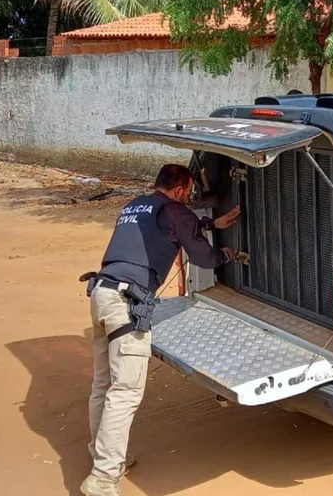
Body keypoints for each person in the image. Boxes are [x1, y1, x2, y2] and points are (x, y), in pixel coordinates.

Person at [80, 164, 241, 496]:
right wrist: (226, 253)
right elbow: (203, 257)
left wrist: (211, 223)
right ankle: (103, 478)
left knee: (103, 386)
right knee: (124, 393)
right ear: (181, 189)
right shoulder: (175, 210)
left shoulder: (135, 205)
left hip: (101, 293)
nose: (190, 198)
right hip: (128, 304)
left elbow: (170, 229)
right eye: (190, 192)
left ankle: (106, 454)